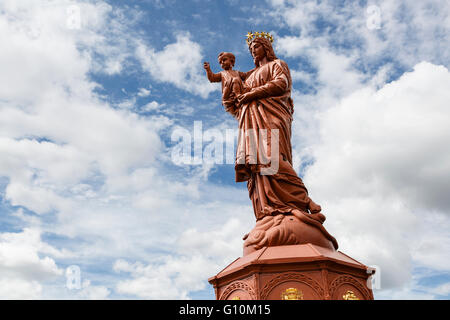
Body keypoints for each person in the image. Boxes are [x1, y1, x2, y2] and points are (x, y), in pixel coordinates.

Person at [234, 34, 325, 223]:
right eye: (251, 50)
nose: (253, 52)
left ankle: (305, 200)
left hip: (272, 115)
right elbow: (235, 102)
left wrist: (251, 94)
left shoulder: (277, 65)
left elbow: (280, 84)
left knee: (272, 157)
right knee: (258, 164)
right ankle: (269, 208)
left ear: (266, 48)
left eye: (256, 47)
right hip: (251, 121)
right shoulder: (249, 76)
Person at [203, 52, 248, 117]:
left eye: (224, 60)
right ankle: (239, 96)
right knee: (235, 79)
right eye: (220, 62)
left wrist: (257, 69)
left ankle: (239, 96)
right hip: (227, 94)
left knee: (241, 83)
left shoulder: (237, 72)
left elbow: (247, 75)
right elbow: (212, 78)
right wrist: (208, 69)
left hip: (237, 91)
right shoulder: (222, 73)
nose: (222, 63)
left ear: (232, 62)